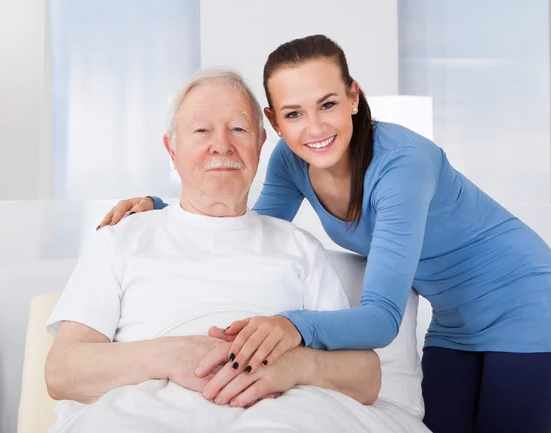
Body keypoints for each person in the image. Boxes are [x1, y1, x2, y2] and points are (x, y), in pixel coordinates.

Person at [99, 35, 551, 433]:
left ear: (354, 97)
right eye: (293, 113)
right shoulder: (292, 162)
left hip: (529, 304)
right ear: (273, 121)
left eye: (327, 104)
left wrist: (291, 326)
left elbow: (380, 319)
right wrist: (167, 209)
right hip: (456, 321)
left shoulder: (402, 166)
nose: (314, 127)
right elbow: (252, 226)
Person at [45, 68, 397, 433]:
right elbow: (62, 371)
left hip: (287, 414)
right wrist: (171, 355)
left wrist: (295, 366)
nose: (222, 145)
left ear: (260, 145)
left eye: (239, 130)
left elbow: (366, 376)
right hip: (149, 410)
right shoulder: (121, 239)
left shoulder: (299, 247)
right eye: (201, 131)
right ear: (172, 149)